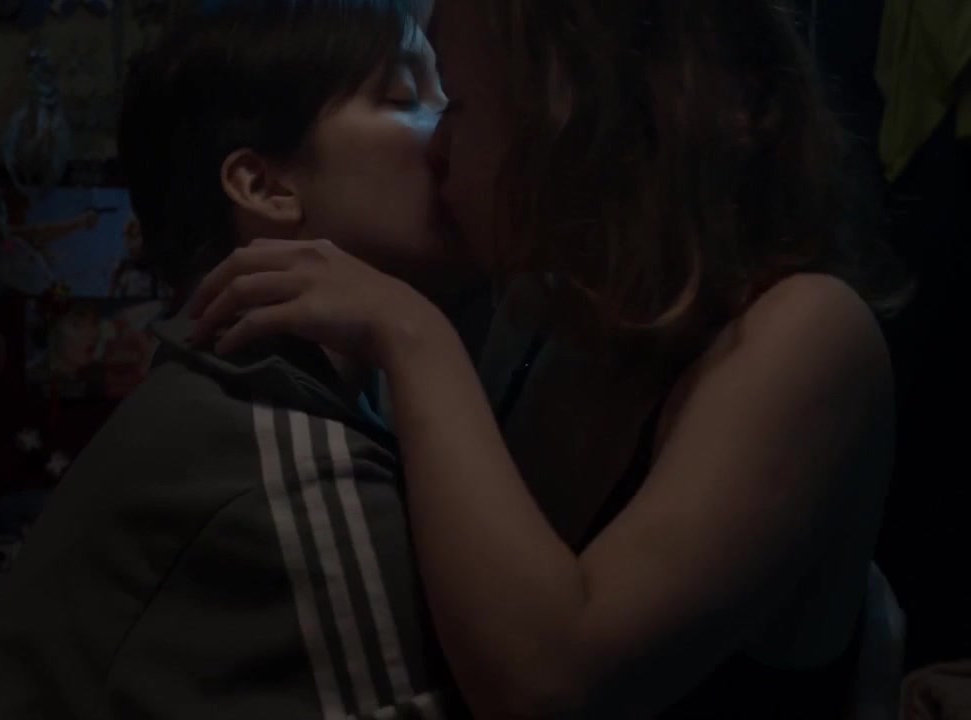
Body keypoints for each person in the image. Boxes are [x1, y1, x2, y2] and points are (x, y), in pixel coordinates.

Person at [186, 0, 909, 716]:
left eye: (458, 104)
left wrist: (411, 334)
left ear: (584, 114)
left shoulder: (808, 332)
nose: (436, 149)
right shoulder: (545, 316)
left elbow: (552, 685)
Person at [0, 1, 470, 717]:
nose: (452, 128)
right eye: (406, 97)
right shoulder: (289, 472)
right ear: (264, 187)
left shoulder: (227, 396)